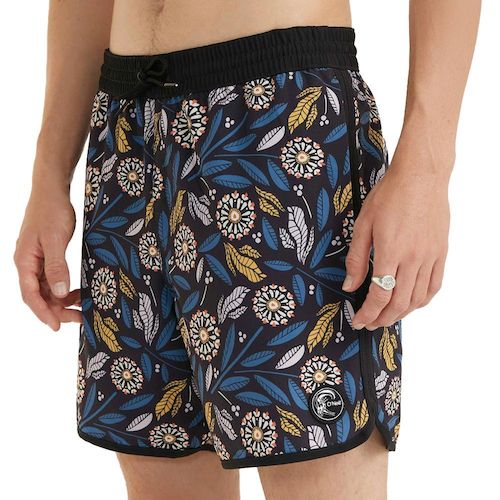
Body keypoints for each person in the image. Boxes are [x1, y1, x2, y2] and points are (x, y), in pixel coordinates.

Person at [14, 1, 480, 499]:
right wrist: (48, 176)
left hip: (277, 122)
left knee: (314, 467)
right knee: (160, 477)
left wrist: (427, 171)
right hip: (128, 137)